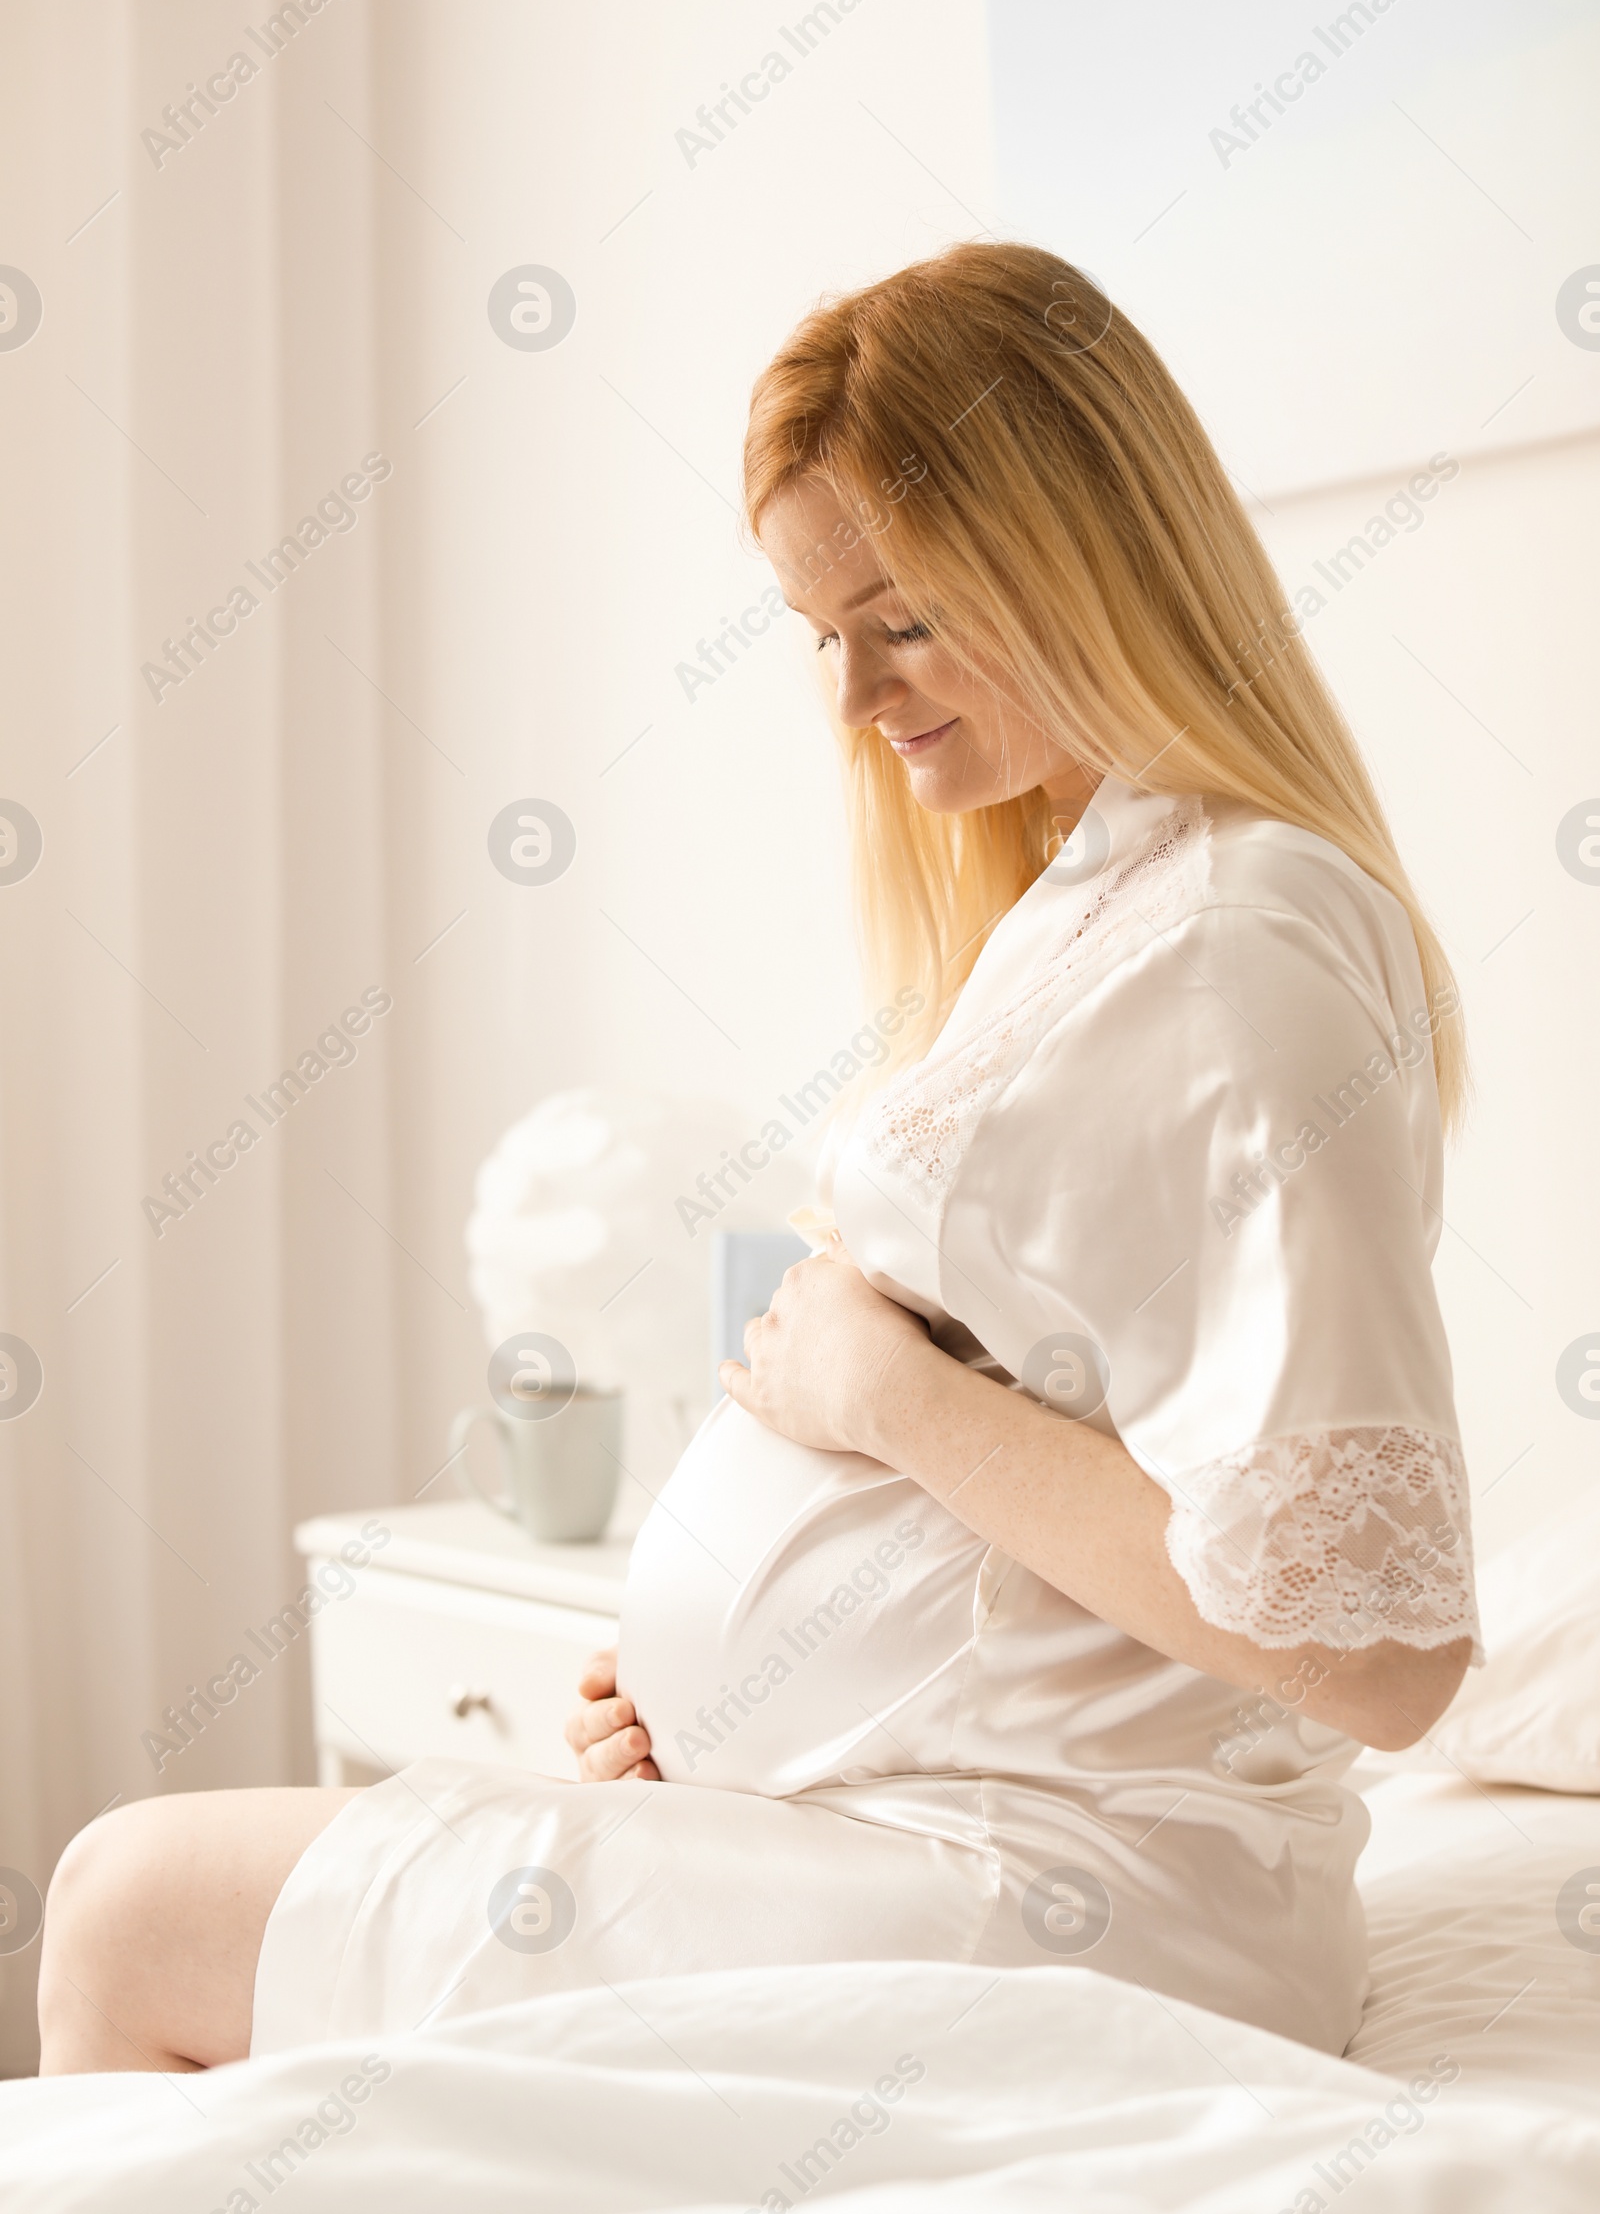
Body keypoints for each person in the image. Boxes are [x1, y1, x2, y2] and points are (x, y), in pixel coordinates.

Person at [37, 242, 1480, 2075]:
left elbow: (1378, 1654)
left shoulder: (1238, 943)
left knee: (128, 1902)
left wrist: (882, 1393)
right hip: (930, 1830)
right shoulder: (1098, 893)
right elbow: (1082, 1487)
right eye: (826, 637)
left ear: (1083, 555)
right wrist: (736, 1719)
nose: (859, 702)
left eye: (908, 619)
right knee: (158, 1917)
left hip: (1057, 1900)